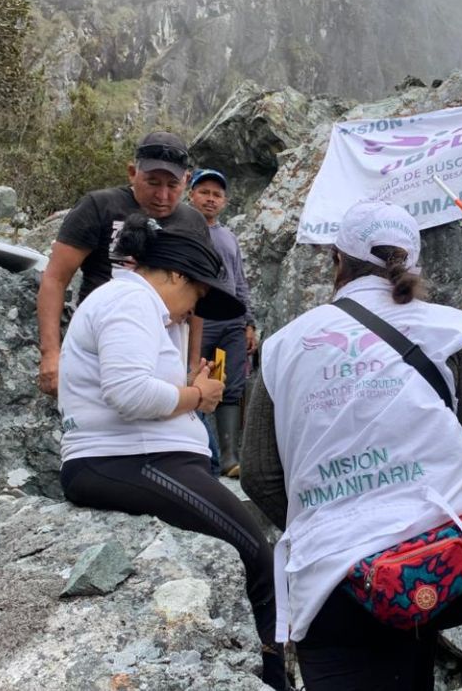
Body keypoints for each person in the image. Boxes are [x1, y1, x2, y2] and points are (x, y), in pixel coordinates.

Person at [242, 201, 462, 690]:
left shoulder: (281, 346)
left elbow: (258, 476)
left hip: (332, 582)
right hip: (439, 556)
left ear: (337, 262)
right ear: (412, 262)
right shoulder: (445, 327)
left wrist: (332, 526)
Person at [57, 213, 286, 691]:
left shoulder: (140, 306)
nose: (191, 311)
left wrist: (189, 388)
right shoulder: (129, 300)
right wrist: (195, 398)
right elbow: (128, 392)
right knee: (257, 557)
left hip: (141, 455)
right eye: (197, 296)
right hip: (127, 458)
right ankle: (273, 680)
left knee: (255, 553)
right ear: (178, 274)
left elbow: (136, 386)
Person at [36, 131, 209, 397]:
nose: (162, 195)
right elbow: (55, 278)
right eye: (152, 182)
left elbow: (198, 295)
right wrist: (51, 354)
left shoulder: (193, 223)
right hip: (102, 345)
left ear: (186, 180)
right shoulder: (99, 206)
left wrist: (193, 362)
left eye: (172, 185)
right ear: (132, 172)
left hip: (167, 349)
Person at [188, 168, 257, 477]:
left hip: (231, 323)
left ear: (225, 201)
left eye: (217, 195)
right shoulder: (182, 228)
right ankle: (203, 455)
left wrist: (249, 321)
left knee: (227, 385)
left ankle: (229, 458)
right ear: (191, 195)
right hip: (198, 321)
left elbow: (239, 280)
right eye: (205, 192)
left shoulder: (228, 236)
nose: (211, 199)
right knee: (194, 382)